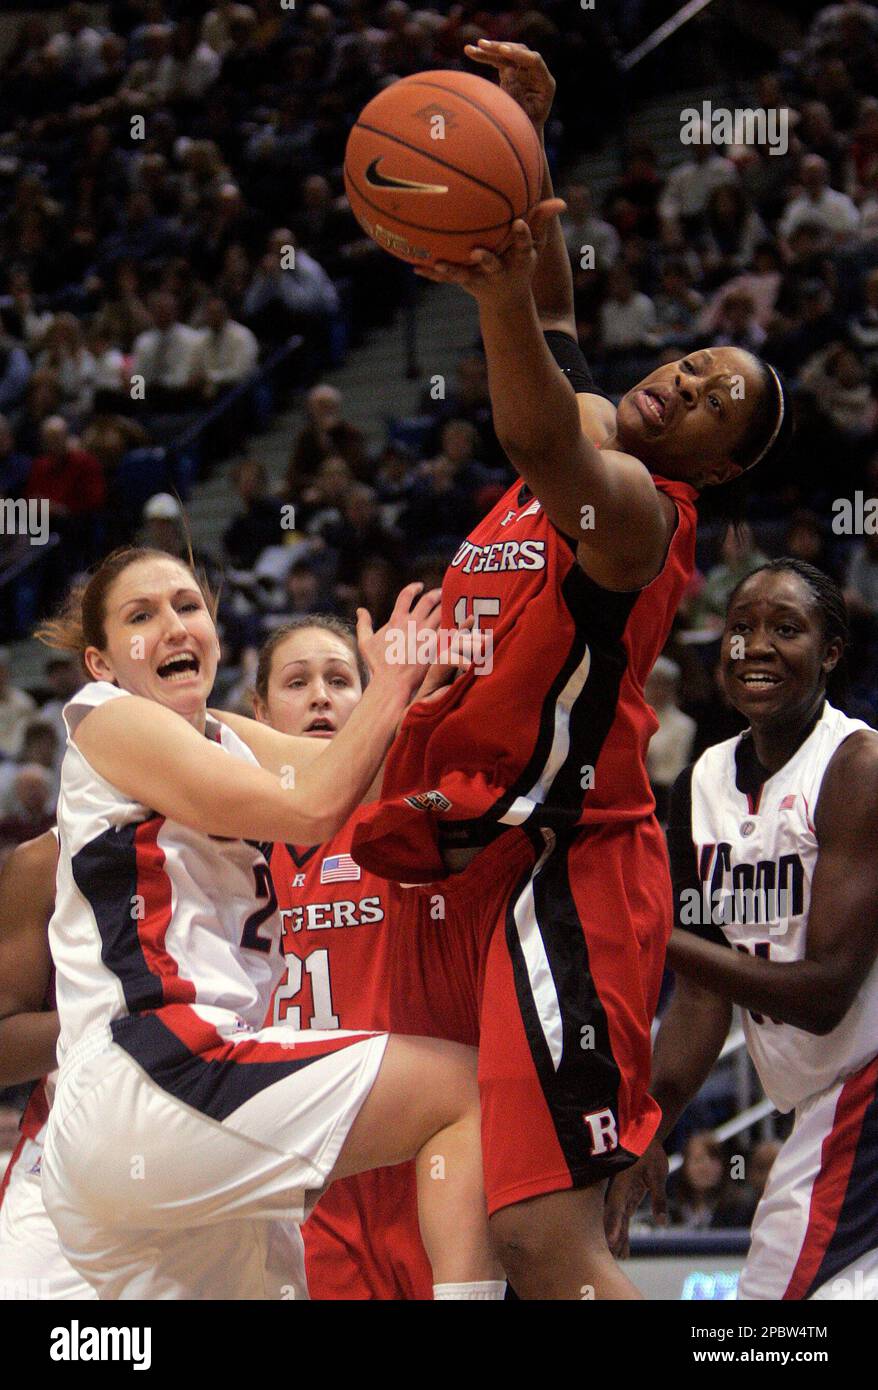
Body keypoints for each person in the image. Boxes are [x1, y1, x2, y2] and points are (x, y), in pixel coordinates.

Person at [352, 40, 793, 1300]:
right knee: (502, 1231)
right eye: (692, 362)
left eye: (714, 398)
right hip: (496, 851)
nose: (686, 382)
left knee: (547, 1240)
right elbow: (552, 331)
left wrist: (485, 284)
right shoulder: (599, 422)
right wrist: (523, 146)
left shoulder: (635, 513)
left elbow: (534, 417)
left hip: (574, 861)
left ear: (712, 465)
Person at [35, 545, 503, 1299]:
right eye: (141, 616)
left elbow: (362, 779)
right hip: (157, 1073)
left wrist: (435, 679)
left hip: (163, 1143)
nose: (173, 625)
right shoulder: (107, 717)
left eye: (187, 606)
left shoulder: (225, 736)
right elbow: (313, 810)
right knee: (469, 1094)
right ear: (101, 662)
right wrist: (386, 685)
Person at [606, 561, 878, 1299]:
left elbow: (823, 993)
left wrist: (647, 929)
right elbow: (701, 991)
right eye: (739, 628)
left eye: (785, 629)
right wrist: (651, 1126)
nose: (755, 645)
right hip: (821, 1099)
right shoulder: (702, 782)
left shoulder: (857, 766)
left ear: (829, 653)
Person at [253, 616, 435, 1299]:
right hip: (294, 1159)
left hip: (414, 1149)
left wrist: (410, 683)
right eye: (298, 683)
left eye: (340, 680)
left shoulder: (403, 817)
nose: (322, 698)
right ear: (260, 712)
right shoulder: (227, 838)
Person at [0, 831, 96, 1299]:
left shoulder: (249, 835)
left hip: (215, 1137)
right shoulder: (44, 861)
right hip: (65, 1154)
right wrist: (115, 1017)